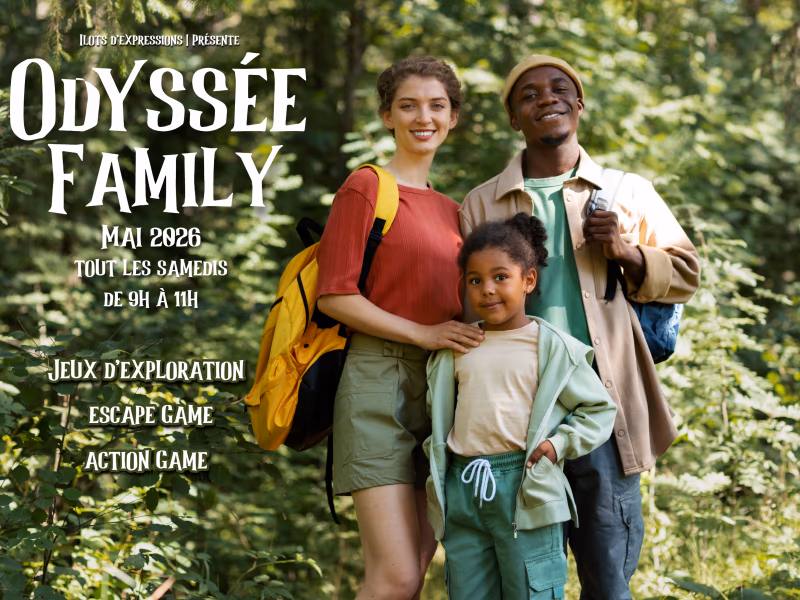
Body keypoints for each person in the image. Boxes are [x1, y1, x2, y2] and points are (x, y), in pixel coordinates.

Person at [459, 55, 701, 599]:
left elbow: (686, 271)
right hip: (516, 418)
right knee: (524, 580)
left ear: (580, 103)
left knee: (607, 578)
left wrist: (624, 251)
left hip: (602, 408)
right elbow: (469, 310)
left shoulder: (626, 192)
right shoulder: (482, 203)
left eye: (560, 88)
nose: (547, 98)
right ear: (514, 120)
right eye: (529, 95)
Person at [315, 56, 485, 600]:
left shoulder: (456, 212)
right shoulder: (367, 187)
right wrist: (424, 334)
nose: (423, 117)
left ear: (453, 116)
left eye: (437, 106)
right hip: (376, 382)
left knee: (415, 566)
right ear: (387, 115)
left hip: (440, 391)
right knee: (394, 578)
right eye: (408, 105)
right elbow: (335, 294)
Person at [424, 212, 617, 599]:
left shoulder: (552, 348)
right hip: (464, 484)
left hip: (525, 485)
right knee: (468, 590)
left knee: (532, 590)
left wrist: (557, 445)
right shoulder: (457, 347)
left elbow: (599, 409)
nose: (487, 290)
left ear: (528, 280)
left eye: (500, 277)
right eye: (475, 281)